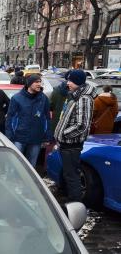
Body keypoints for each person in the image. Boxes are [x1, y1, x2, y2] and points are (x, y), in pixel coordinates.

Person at [54, 70, 97, 202]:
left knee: (72, 175)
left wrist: (64, 135)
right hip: (67, 144)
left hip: (71, 144)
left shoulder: (84, 98)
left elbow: (82, 125)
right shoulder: (76, 96)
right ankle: (71, 198)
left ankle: (75, 204)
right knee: (69, 174)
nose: (68, 84)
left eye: (70, 81)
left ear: (78, 82)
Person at [6, 74, 52, 167]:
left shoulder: (43, 99)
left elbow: (47, 118)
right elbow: (10, 118)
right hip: (19, 137)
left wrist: (47, 136)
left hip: (36, 138)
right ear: (29, 84)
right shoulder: (16, 98)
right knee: (16, 164)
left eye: (40, 82)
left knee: (32, 165)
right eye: (36, 82)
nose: (39, 84)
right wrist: (9, 136)